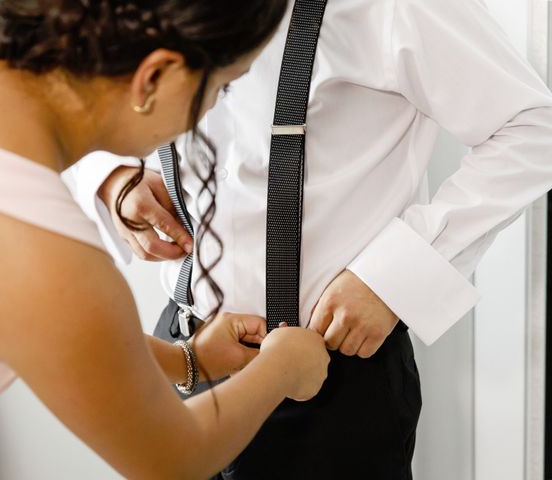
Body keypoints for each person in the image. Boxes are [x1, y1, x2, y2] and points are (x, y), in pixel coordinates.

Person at [87, 0, 552, 478]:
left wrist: (391, 279)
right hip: (179, 353)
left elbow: (534, 130)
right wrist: (113, 176)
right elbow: (73, 84)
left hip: (328, 386)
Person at [0, 1, 332, 479]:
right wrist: (282, 370)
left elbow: (44, 325)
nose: (214, 108)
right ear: (154, 76)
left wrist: (186, 359)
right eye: (222, 86)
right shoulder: (47, 260)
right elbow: (171, 458)